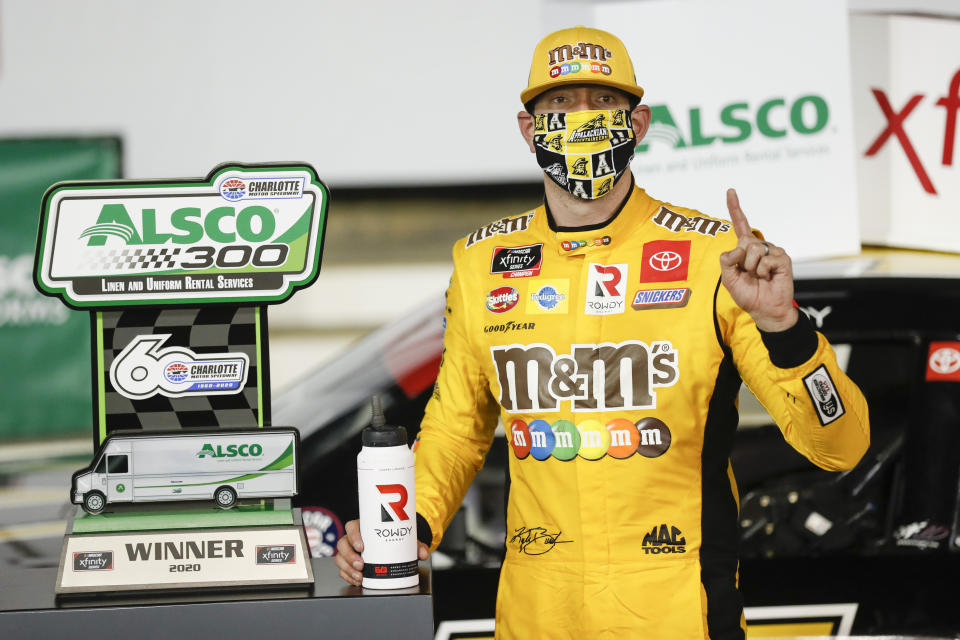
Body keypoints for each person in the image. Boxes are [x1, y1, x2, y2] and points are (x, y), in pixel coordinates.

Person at [337, 25, 870, 639]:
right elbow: (456, 428)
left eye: (603, 103)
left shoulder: (712, 256)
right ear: (527, 128)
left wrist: (785, 326)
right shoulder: (480, 263)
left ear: (638, 124)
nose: (581, 120)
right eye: (559, 105)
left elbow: (842, 447)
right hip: (538, 614)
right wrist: (408, 527)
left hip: (678, 610)